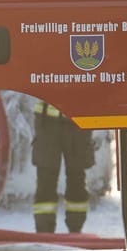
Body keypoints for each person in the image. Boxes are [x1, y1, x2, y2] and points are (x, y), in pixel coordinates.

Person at [31, 100, 92, 234]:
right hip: (46, 121)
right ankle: (44, 231)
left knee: (76, 178)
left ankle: (76, 230)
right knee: (46, 178)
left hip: (78, 120)